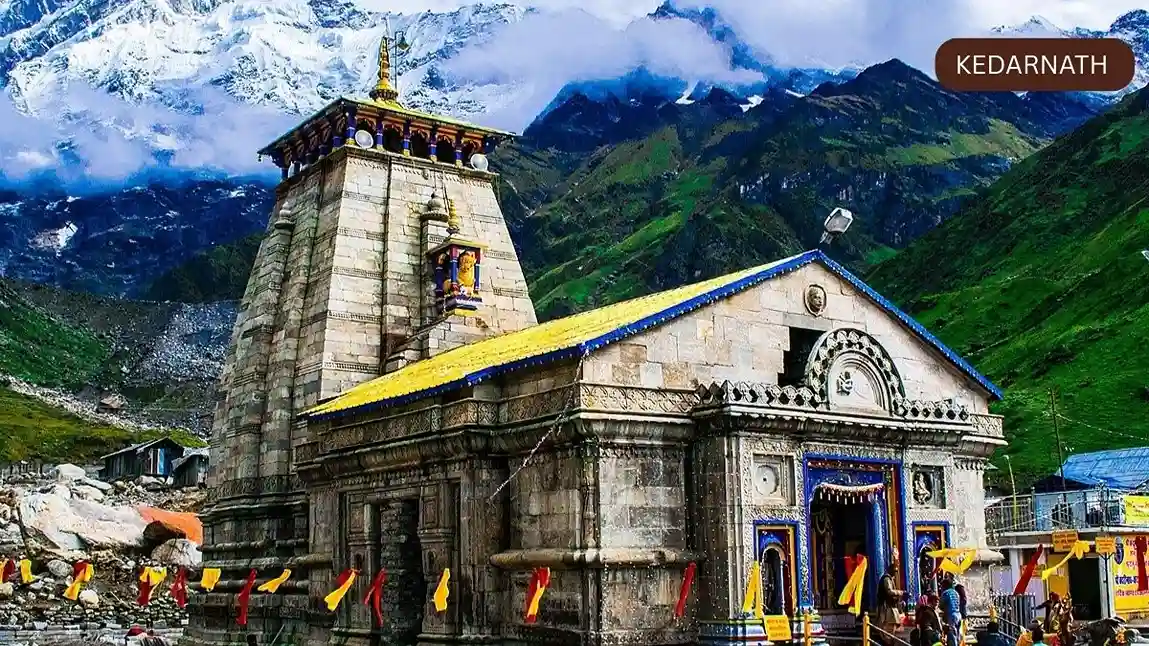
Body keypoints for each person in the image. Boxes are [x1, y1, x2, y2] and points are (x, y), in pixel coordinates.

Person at [878, 561, 906, 642]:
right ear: (890, 570)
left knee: (892, 625)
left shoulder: (890, 579)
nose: (895, 573)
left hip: (891, 606)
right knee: (887, 625)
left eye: (896, 571)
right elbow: (889, 591)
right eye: (894, 571)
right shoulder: (886, 579)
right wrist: (901, 592)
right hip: (886, 606)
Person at [940, 578, 962, 646]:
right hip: (958, 615)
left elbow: (941, 605)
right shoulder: (956, 593)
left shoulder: (946, 593)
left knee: (952, 636)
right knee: (957, 635)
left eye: (942, 586)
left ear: (944, 586)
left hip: (951, 616)